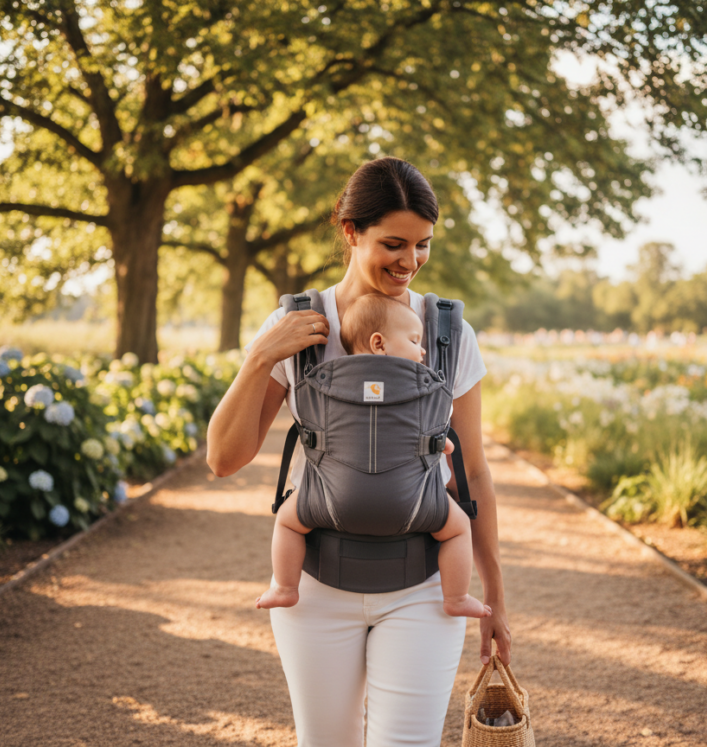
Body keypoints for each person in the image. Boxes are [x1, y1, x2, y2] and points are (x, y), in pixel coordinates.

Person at [206, 157, 510, 747]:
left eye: (423, 245)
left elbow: (473, 474)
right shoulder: (294, 326)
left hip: (424, 587)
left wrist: (495, 596)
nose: (410, 262)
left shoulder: (446, 335)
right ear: (350, 231)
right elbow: (223, 459)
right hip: (315, 587)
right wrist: (261, 356)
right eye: (393, 243)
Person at [255, 293, 492, 620]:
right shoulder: (419, 385)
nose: (423, 350)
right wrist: (440, 444)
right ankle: (456, 597)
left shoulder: (330, 375)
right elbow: (445, 445)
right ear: (379, 343)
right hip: (416, 507)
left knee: (287, 521)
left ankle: (285, 587)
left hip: (326, 502)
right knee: (457, 527)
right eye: (414, 340)